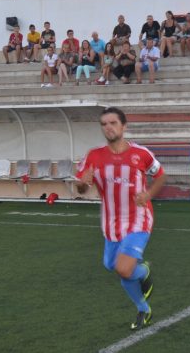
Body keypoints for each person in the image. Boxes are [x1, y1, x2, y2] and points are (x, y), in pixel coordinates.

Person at [74, 107, 166, 331]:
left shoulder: (141, 154)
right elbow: (80, 188)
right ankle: (143, 272)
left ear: (123, 126)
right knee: (112, 266)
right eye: (104, 124)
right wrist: (82, 183)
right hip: (111, 223)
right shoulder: (94, 156)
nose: (108, 127)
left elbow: (160, 175)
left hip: (138, 218)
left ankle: (143, 307)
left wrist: (149, 194)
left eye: (113, 123)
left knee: (124, 269)